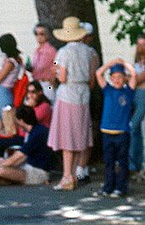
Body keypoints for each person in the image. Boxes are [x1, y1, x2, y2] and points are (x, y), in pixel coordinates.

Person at [47, 17, 95, 191]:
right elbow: (91, 79)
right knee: (78, 135)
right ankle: (73, 174)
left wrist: (56, 72)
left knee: (68, 137)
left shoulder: (64, 52)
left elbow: (62, 78)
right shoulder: (89, 52)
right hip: (83, 93)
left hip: (68, 93)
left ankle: (67, 175)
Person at [94, 59, 136, 198]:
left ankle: (121, 187)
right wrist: (110, 64)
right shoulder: (108, 90)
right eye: (114, 77)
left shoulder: (128, 92)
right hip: (107, 132)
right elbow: (99, 73)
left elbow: (134, 74)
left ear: (124, 78)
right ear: (111, 79)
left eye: (120, 77)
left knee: (122, 162)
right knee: (108, 162)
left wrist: (124, 64)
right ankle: (108, 187)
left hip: (122, 132)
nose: (117, 80)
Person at [0, 105, 51, 187]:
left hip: (38, 172)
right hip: (28, 166)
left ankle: (5, 179)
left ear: (21, 121)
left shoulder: (37, 133)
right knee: (0, 160)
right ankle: (5, 179)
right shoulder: (32, 131)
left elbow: (19, 156)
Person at [0, 80, 52, 161]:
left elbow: (29, 120)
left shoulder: (44, 106)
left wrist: (28, 107)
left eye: (33, 92)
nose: (30, 95)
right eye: (28, 92)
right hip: (20, 135)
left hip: (33, 138)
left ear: (40, 92)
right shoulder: (29, 104)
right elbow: (18, 117)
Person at [76, 22, 102, 184]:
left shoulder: (91, 54)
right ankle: (80, 167)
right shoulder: (71, 52)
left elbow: (92, 80)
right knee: (80, 131)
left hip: (88, 96)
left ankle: (81, 166)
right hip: (81, 94)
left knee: (87, 131)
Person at [129, 34, 145, 177]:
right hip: (135, 96)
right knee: (136, 132)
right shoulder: (136, 63)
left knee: (133, 126)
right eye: (139, 44)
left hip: (143, 95)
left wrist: (132, 79)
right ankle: (135, 163)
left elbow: (137, 79)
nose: (140, 48)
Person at [30, 23, 57, 102]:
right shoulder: (37, 50)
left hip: (47, 84)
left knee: (47, 105)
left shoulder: (51, 51)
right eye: (36, 33)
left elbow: (56, 65)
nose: (38, 36)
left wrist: (52, 82)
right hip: (37, 83)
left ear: (47, 35)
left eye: (41, 34)